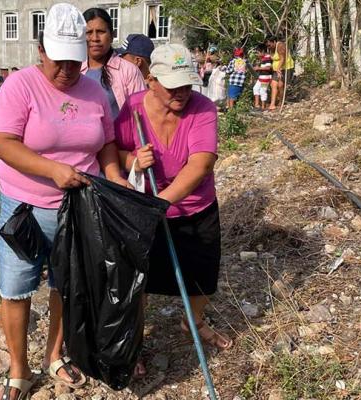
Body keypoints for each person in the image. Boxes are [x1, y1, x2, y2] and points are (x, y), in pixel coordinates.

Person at [0, 3, 127, 399]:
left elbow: (107, 144)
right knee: (16, 285)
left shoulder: (95, 90)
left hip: (80, 208)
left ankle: (54, 355)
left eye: (74, 62)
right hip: (26, 208)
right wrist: (52, 170)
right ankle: (19, 368)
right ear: (41, 51)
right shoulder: (21, 86)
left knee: (67, 285)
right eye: (59, 61)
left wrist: (115, 177)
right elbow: (3, 143)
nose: (66, 70)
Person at [115, 44, 232, 371]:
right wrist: (130, 163)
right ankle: (134, 342)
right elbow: (110, 150)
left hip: (195, 207)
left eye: (186, 84)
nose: (181, 92)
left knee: (203, 277)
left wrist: (162, 202)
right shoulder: (134, 108)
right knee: (141, 283)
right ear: (151, 80)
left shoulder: (203, 108)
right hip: (145, 212)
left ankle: (193, 321)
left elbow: (201, 163)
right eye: (172, 85)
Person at [81, 8, 145, 119]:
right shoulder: (74, 70)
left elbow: (141, 114)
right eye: (89, 32)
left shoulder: (129, 71)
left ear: (112, 35)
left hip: (119, 136)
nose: (95, 38)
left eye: (101, 32)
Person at [266, 35, 295, 110]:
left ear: (274, 42)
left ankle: (281, 101)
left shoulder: (280, 46)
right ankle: (272, 104)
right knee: (273, 84)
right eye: (267, 45)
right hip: (276, 69)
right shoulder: (271, 48)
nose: (268, 46)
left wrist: (279, 68)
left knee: (280, 85)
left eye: (269, 44)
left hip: (286, 68)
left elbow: (283, 59)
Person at [253, 45, 273, 110]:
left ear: (263, 51)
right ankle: (257, 105)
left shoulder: (267, 57)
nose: (257, 54)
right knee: (255, 88)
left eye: (258, 52)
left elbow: (268, 68)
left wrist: (258, 68)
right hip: (261, 77)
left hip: (265, 77)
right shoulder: (263, 58)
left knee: (263, 91)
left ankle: (263, 106)